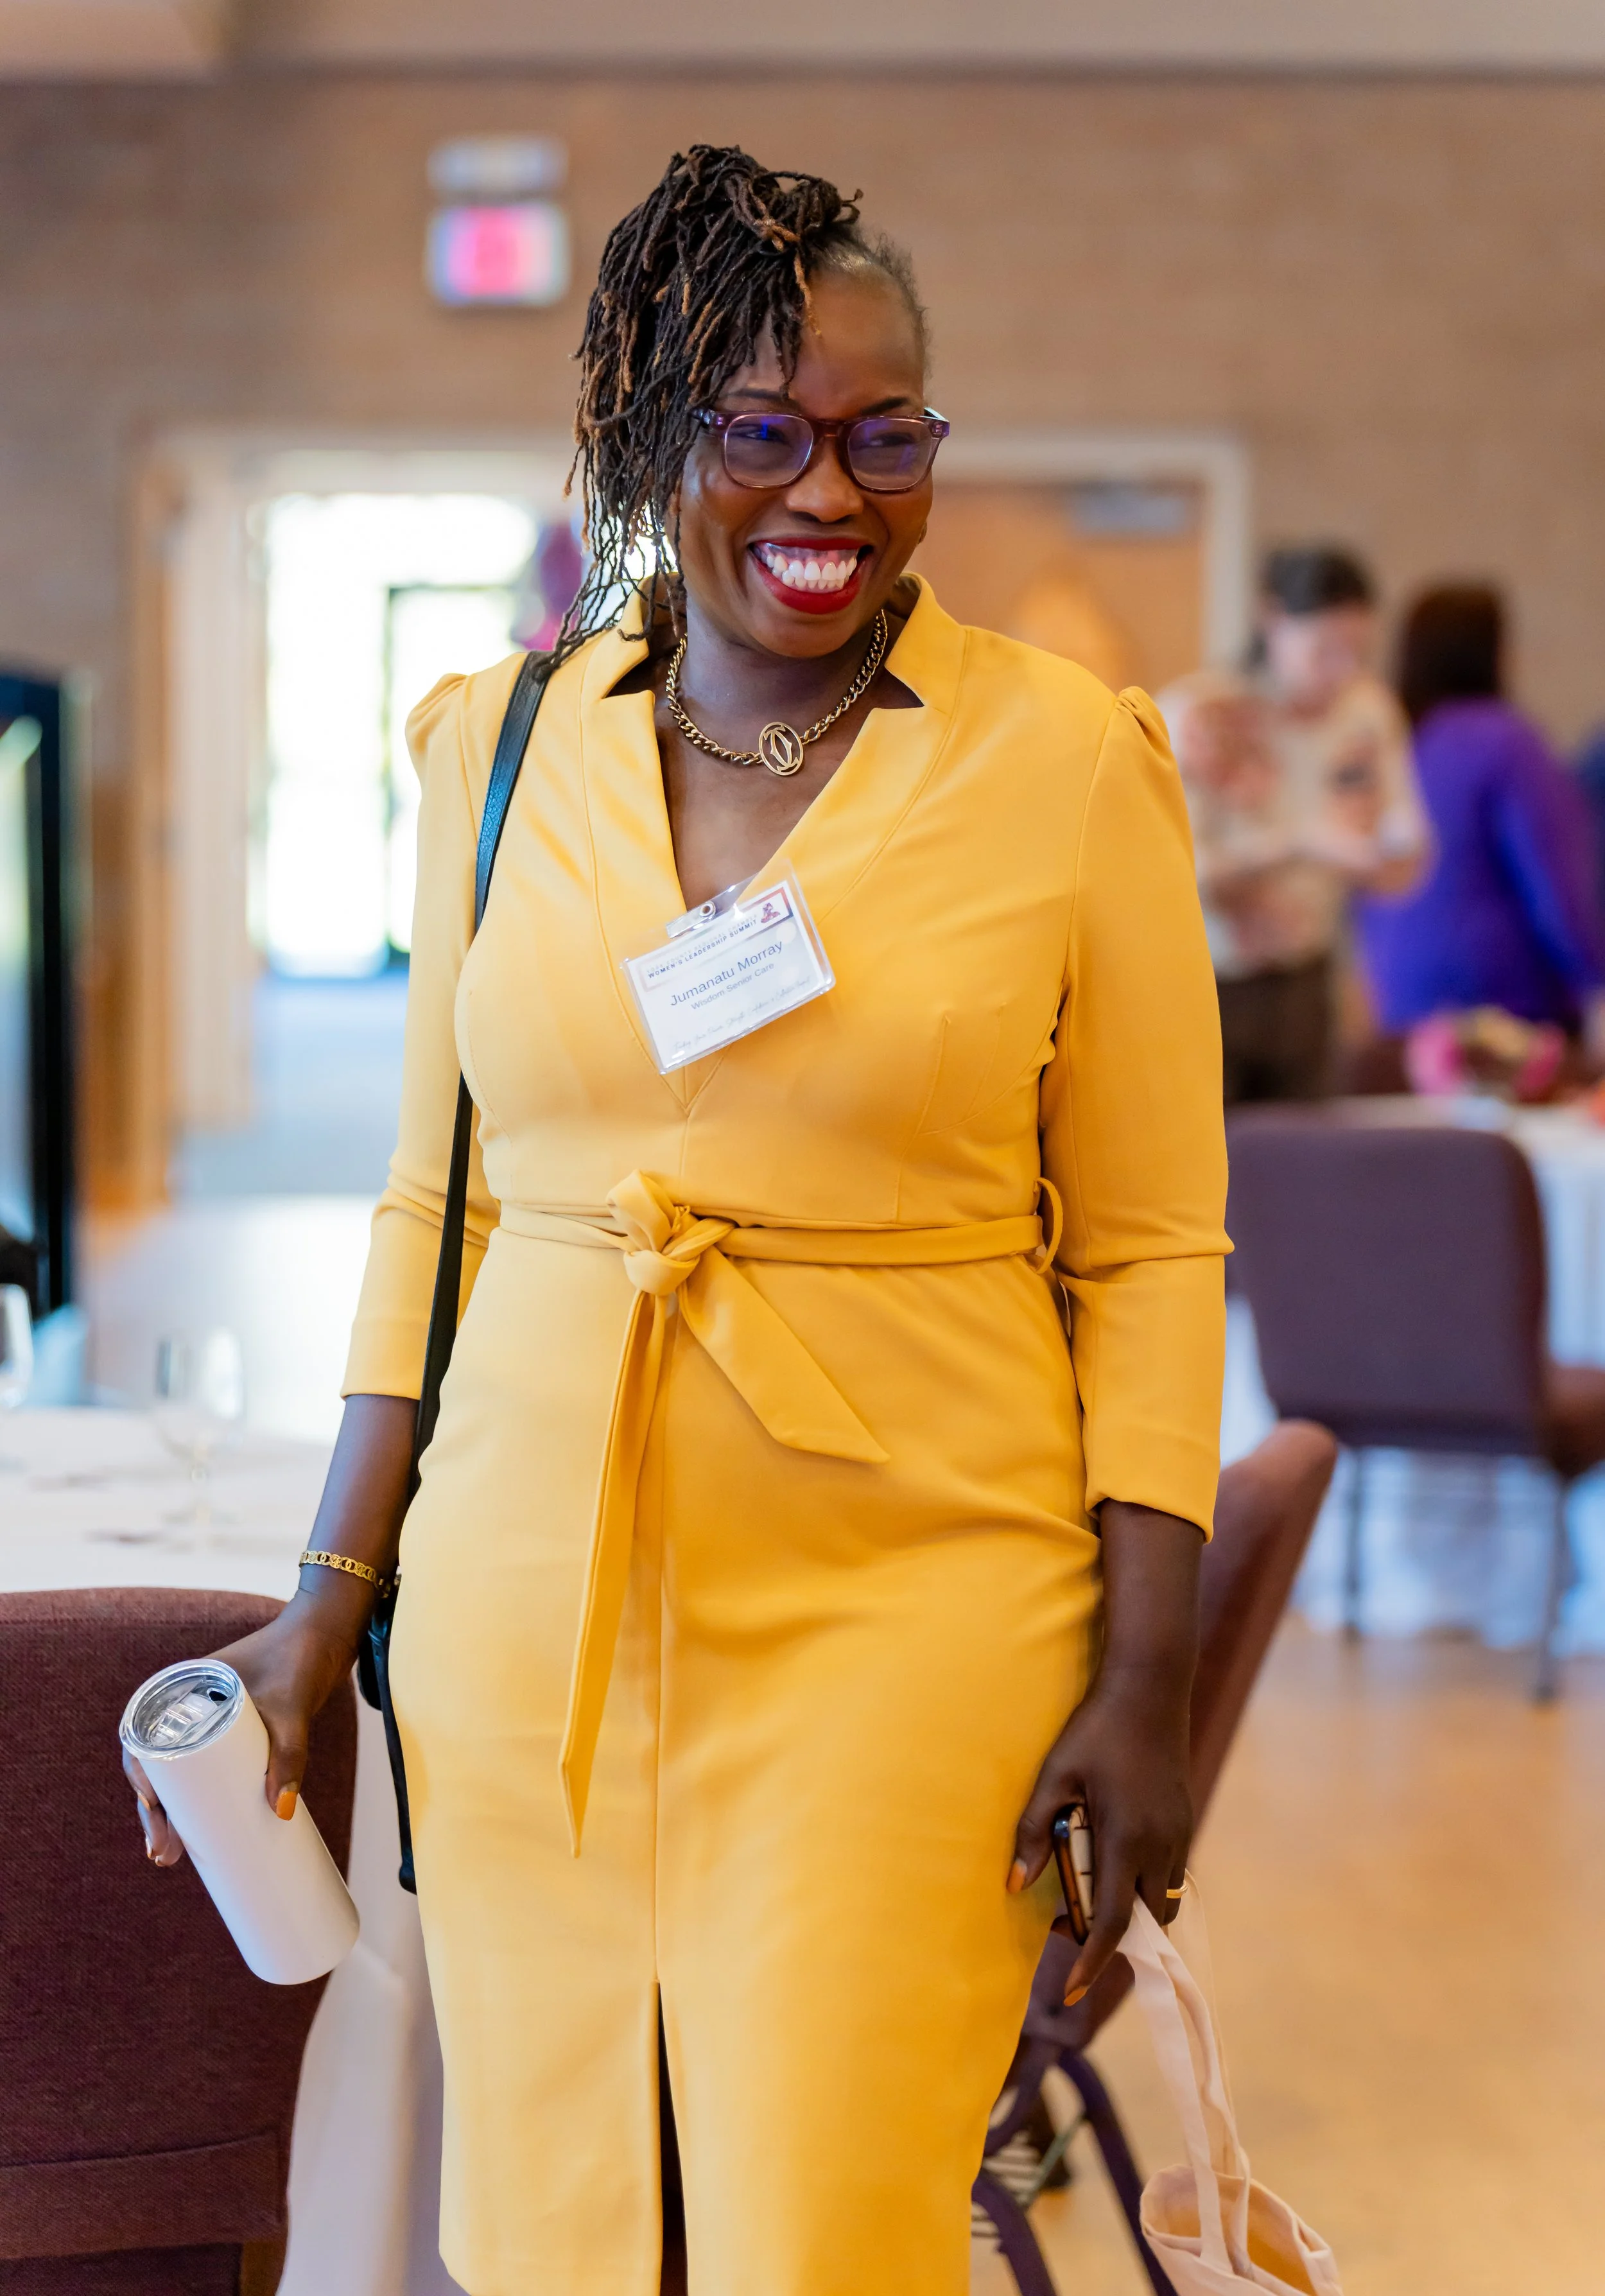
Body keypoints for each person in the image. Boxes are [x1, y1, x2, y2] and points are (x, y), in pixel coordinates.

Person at [125, 147, 1228, 2296]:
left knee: (823, 2233)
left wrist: (1153, 1674)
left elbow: (1154, 1243)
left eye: (885, 435)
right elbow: (433, 1195)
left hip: (912, 1606)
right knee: (541, 2230)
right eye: (765, 429)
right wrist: (321, 1609)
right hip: (526, 1609)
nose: (832, 491)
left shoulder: (1067, 762)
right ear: (654, 441)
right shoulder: (502, 749)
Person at [1163, 546, 1426, 1104]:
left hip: (1309, 974)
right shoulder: (1205, 714)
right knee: (1207, 1170)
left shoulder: (1365, 711)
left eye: (1357, 650)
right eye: (1325, 650)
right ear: (1274, 620)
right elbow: (1174, 865)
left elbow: (1407, 849)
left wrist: (1379, 854)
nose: (1343, 671)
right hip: (1206, 979)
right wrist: (1303, 842)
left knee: (1306, 1166)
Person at [1359, 583, 1605, 1045]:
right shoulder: (1503, 740)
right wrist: (1596, 982)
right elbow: (1557, 879)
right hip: (1506, 1007)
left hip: (1400, 1006)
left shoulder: (1394, 743)